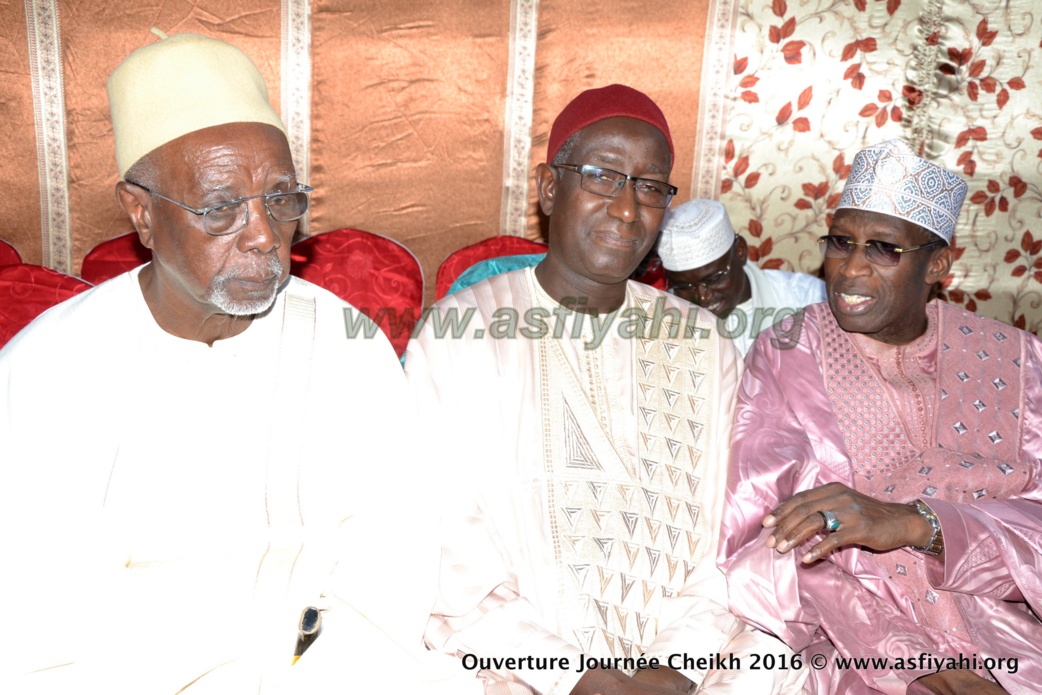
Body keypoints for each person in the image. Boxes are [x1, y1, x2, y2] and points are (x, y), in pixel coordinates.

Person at [0, 31, 458, 693]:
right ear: (142, 213)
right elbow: (28, 613)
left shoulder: (346, 347)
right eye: (221, 209)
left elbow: (386, 572)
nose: (265, 236)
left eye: (281, 199)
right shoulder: (47, 370)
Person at [407, 84, 804, 695]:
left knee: (777, 664)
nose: (627, 209)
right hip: (513, 663)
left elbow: (739, 527)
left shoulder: (704, 343)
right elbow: (443, 544)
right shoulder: (460, 332)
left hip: (686, 666)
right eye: (602, 177)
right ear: (547, 188)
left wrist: (672, 667)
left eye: (650, 187)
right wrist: (574, 678)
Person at [719, 138, 1042, 694]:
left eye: (883, 249)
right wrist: (917, 666)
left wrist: (922, 523)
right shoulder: (787, 352)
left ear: (938, 264)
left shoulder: (1020, 359)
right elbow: (762, 541)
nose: (849, 269)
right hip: (857, 645)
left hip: (1017, 637)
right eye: (841, 242)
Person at [657, 198, 825, 356]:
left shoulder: (807, 299)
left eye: (713, 279)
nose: (701, 297)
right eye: (683, 286)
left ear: (740, 251)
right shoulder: (666, 319)